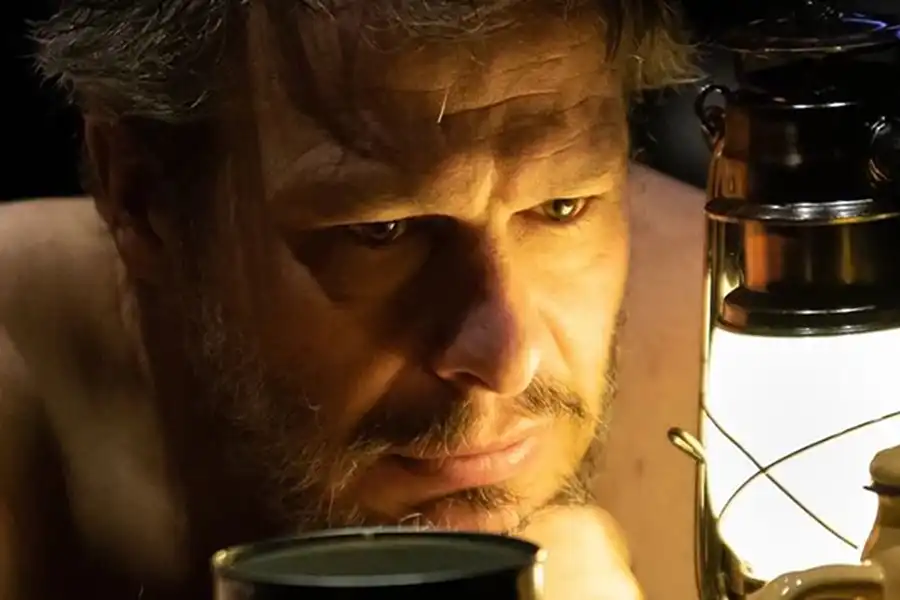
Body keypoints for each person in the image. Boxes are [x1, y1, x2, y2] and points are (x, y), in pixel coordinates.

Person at [0, 1, 707, 599]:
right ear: (144, 200)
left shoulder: (738, 353)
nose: (506, 358)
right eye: (382, 231)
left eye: (561, 207)